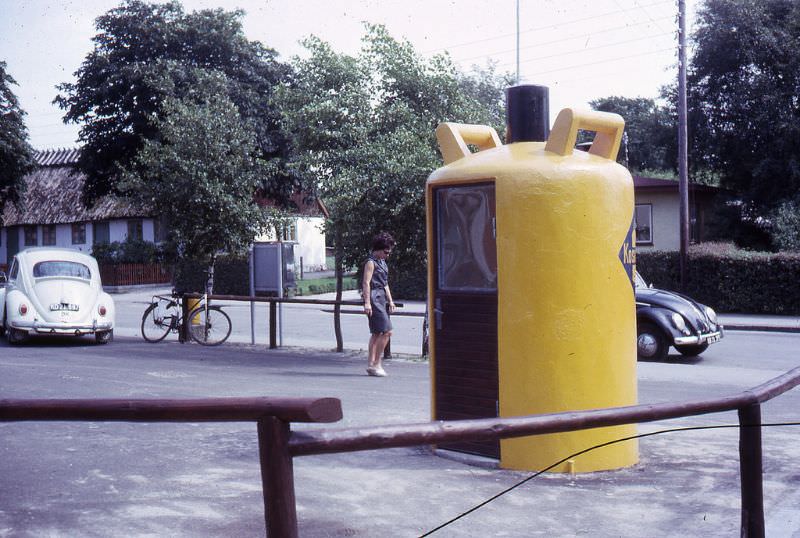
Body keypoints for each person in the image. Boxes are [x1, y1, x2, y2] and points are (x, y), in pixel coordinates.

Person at [362, 232, 396, 377]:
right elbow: (366, 283)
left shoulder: (383, 262)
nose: (387, 255)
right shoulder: (371, 262)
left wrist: (390, 300)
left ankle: (371, 365)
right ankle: (377, 363)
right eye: (386, 252)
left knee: (376, 333)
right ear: (379, 249)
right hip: (374, 298)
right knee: (387, 331)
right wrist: (367, 303)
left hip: (381, 298)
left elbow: (385, 283)